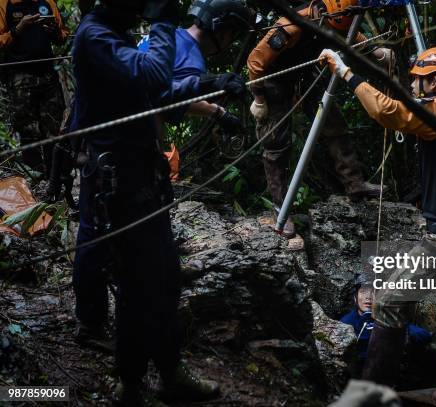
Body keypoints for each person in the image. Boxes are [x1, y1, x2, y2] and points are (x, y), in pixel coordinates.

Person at [319, 47, 436, 406]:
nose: (414, 83)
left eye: (419, 78)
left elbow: (387, 111)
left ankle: (370, 398)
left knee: (390, 304)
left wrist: (347, 73)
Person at [71, 0, 219, 404]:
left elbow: (151, 94)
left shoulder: (110, 36)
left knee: (161, 278)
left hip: (138, 178)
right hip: (119, 185)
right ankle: (136, 381)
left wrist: (206, 86)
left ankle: (162, 374)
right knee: (139, 284)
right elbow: (152, 77)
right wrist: (163, 23)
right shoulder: (94, 37)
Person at [246, 0, 394, 238]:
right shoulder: (289, 27)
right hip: (274, 78)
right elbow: (255, 62)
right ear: (318, 10)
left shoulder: (337, 18)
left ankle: (354, 183)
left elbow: (349, 35)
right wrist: (259, 99)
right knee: (276, 143)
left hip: (306, 75)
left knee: (333, 123)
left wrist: (375, 52)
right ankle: (281, 208)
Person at [137, 0, 253, 132]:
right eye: (232, 36)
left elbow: (176, 93)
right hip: (133, 133)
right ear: (223, 33)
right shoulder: (192, 63)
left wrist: (218, 112)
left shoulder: (170, 33)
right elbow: (169, 100)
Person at [0, 0, 68, 176]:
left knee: (53, 127)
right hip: (19, 76)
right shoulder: (5, 4)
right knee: (28, 130)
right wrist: (17, 29)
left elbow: (62, 36)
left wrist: (54, 31)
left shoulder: (47, 2)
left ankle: (56, 179)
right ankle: (36, 180)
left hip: (47, 73)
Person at [340, 274, 431, 375]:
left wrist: (398, 335)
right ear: (355, 297)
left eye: (374, 292)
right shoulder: (347, 321)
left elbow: (423, 335)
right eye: (363, 292)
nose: (368, 297)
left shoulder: (387, 318)